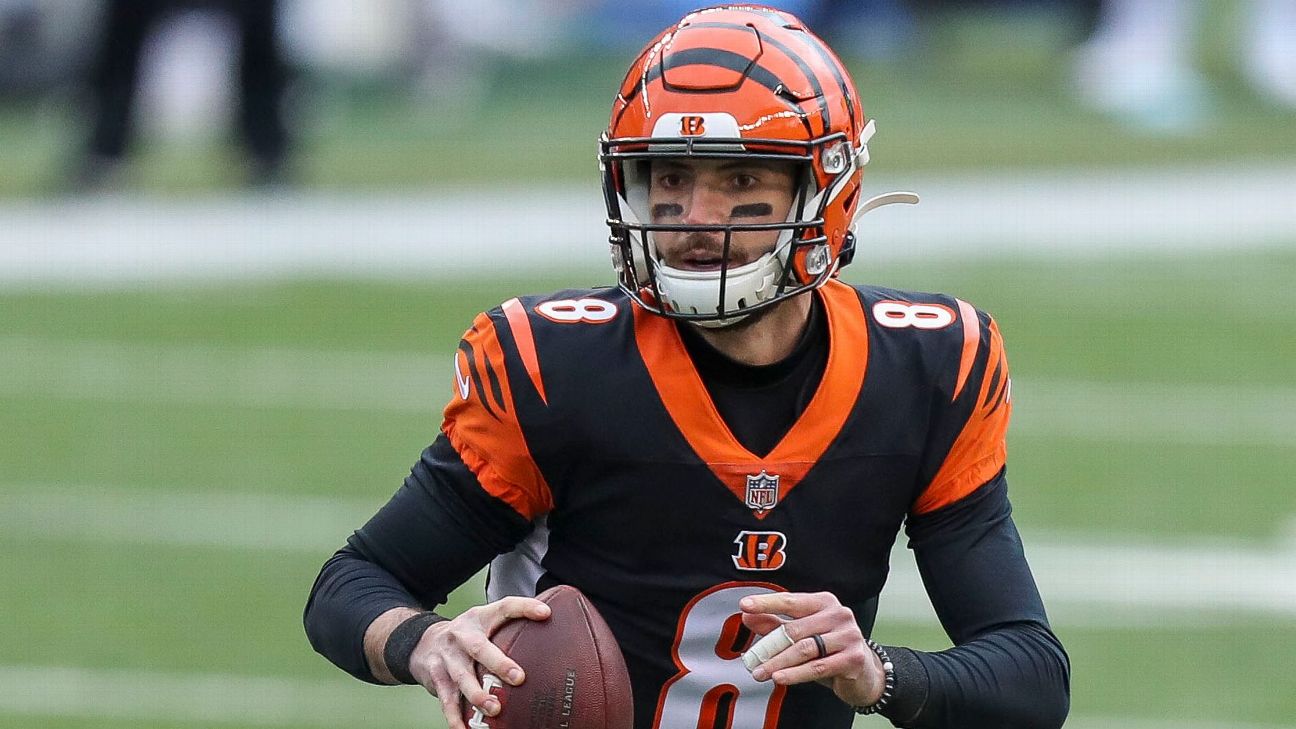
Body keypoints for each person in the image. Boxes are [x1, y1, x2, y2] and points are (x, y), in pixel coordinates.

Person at [304, 5, 1070, 728]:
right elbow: (352, 584)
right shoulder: (556, 367)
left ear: (827, 187)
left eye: (740, 181)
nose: (696, 217)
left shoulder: (927, 365)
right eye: (670, 178)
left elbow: (1032, 676)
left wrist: (881, 673)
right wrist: (426, 643)